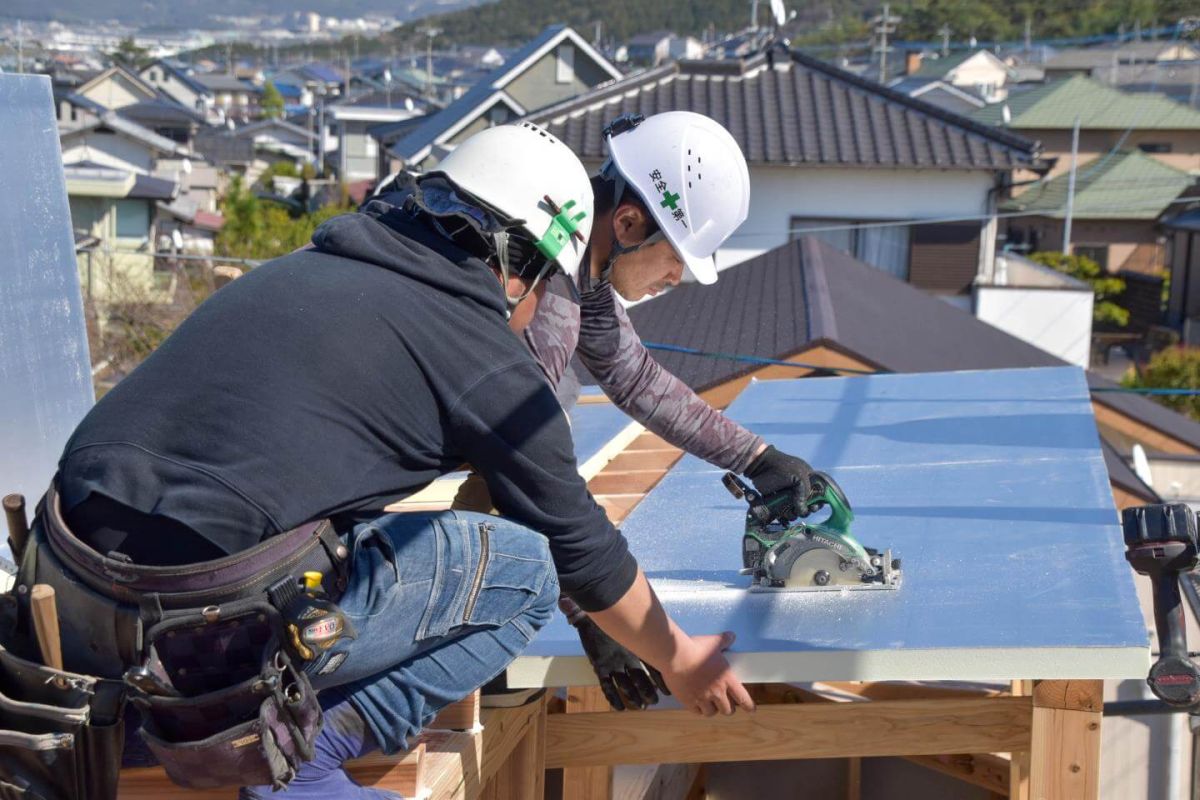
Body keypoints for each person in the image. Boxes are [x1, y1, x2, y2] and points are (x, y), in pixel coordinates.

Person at [39, 122, 753, 800]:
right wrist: (680, 657)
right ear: (516, 267)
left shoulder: (302, 273)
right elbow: (577, 540)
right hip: (199, 636)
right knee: (524, 571)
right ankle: (305, 754)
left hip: (65, 608)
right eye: (544, 286)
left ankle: (156, 725)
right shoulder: (477, 351)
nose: (540, 309)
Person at [428, 112, 819, 713]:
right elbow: (523, 479)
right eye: (675, 256)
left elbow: (634, 376)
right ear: (630, 222)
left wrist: (758, 460)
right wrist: (593, 616)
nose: (678, 276)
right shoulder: (544, 298)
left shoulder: (577, 265)